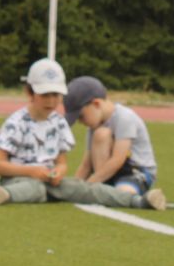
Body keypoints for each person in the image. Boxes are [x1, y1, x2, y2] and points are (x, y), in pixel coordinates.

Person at [0, 58, 76, 206]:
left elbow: (62, 163)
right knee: (37, 189)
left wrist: (59, 172)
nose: (51, 101)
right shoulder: (16, 122)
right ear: (29, 93)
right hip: (16, 179)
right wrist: (31, 171)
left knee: (80, 187)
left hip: (48, 179)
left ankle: (122, 196)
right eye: (45, 95)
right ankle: (1, 194)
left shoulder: (59, 122)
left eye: (56, 95)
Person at [61, 76, 167, 211]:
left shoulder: (125, 118)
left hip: (136, 173)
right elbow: (86, 164)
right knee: (101, 134)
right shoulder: (94, 126)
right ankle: (105, 188)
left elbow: (118, 159)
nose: (80, 122)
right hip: (109, 174)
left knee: (124, 192)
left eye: (81, 116)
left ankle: (144, 199)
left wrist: (90, 186)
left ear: (96, 104)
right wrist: (74, 188)